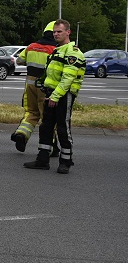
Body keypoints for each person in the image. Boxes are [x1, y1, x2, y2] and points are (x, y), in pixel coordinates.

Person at [24, 19, 85, 174]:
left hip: (64, 96)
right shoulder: (56, 50)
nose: (56, 34)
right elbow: (51, 74)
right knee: (46, 127)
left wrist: (55, 97)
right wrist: (43, 85)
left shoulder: (73, 53)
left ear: (68, 32)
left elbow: (67, 79)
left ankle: (66, 162)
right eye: (55, 32)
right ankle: (42, 160)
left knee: (63, 129)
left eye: (60, 31)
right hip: (50, 94)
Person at [10, 22, 58, 152]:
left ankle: (21, 134)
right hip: (46, 87)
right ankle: (52, 146)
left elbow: (19, 60)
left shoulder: (31, 47)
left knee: (31, 113)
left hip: (30, 85)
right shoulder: (55, 50)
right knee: (47, 117)